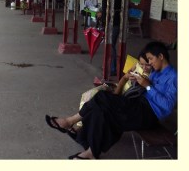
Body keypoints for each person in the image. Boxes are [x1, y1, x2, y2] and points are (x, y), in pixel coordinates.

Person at [45, 40, 177, 159]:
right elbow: (144, 88)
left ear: (161, 56)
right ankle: (89, 148)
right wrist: (136, 79)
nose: (150, 63)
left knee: (103, 98)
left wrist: (148, 86)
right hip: (138, 105)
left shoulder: (174, 77)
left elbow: (167, 106)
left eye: (151, 59)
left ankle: (71, 123)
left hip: (150, 114)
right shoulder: (155, 71)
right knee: (102, 109)